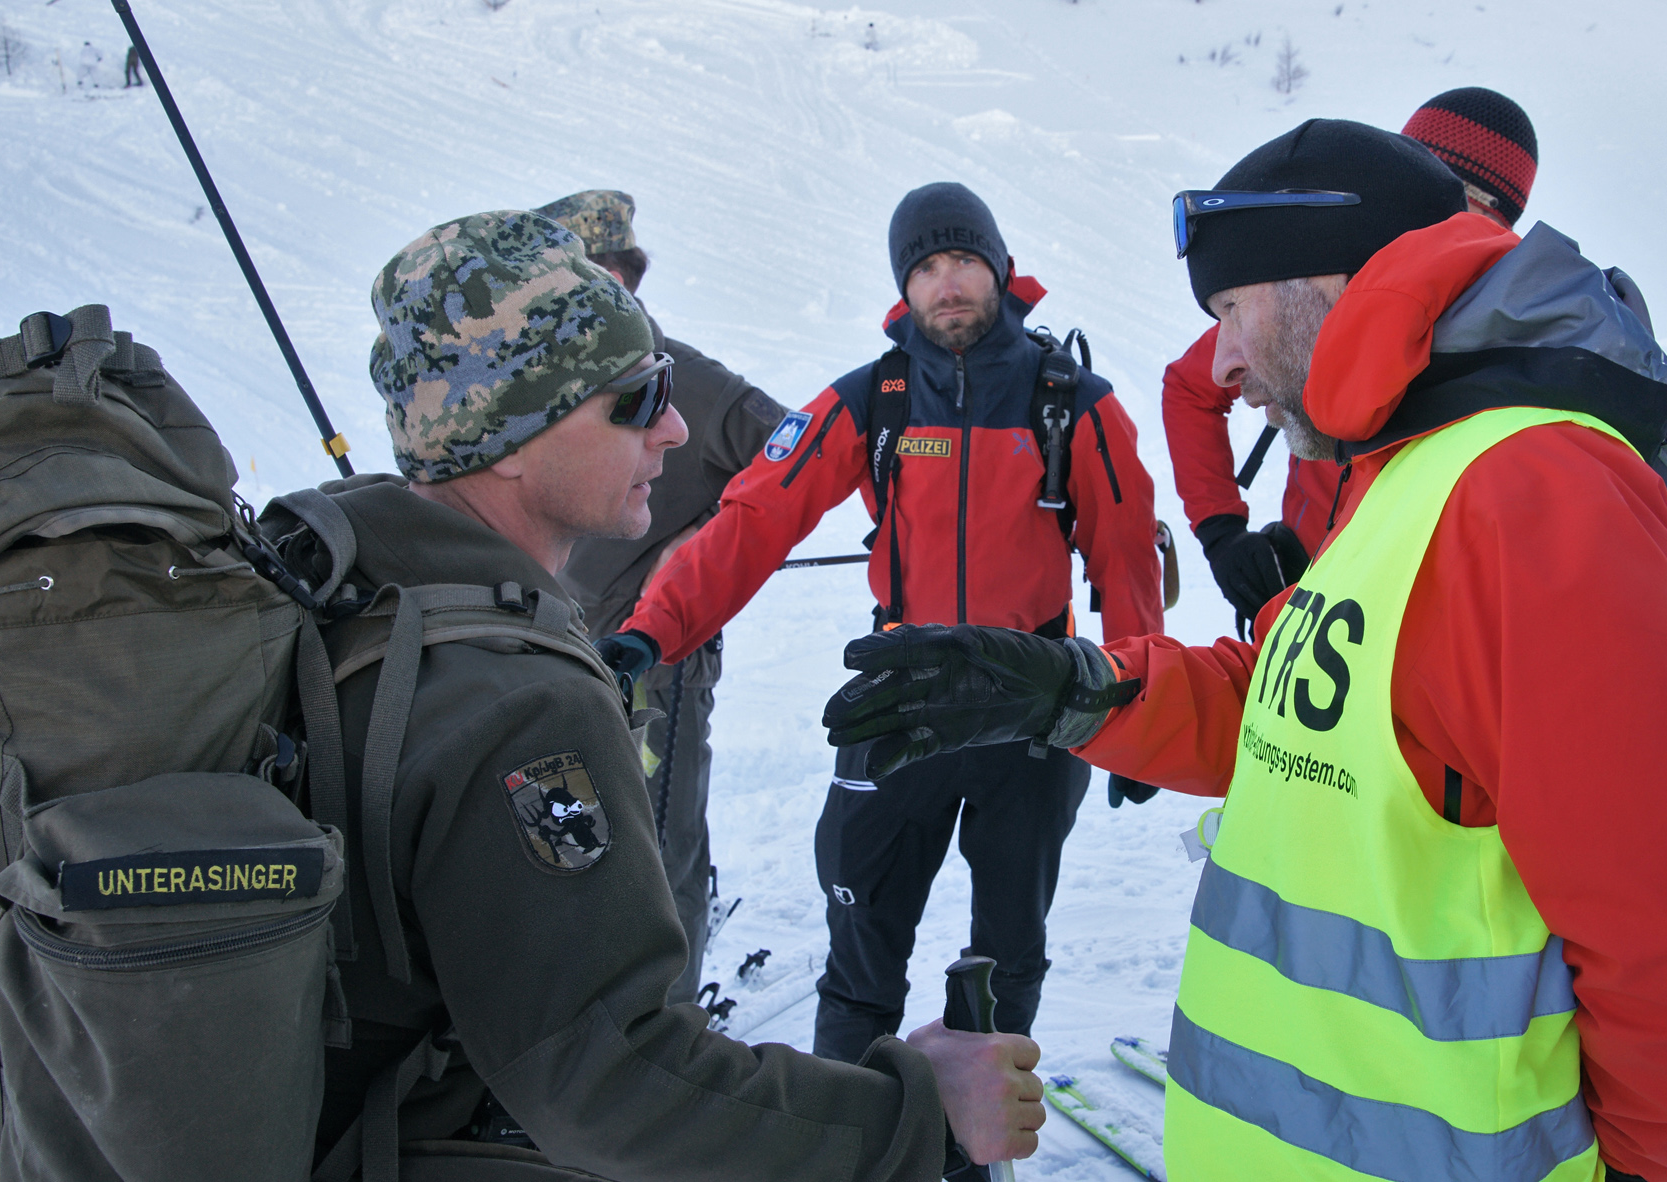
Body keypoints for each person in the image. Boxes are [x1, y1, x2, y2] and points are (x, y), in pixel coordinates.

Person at [820, 120, 1667, 1182]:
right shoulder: (1407, 467)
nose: (1217, 360)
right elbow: (1312, 705)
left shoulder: (1531, 489)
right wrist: (1073, 691)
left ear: (1327, 284)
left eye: (1227, 312)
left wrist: (1651, 1167)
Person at [310, 209, 1043, 1180]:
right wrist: (917, 1116)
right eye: (636, 397)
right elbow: (612, 1079)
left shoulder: (353, 586)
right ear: (513, 431)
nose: (676, 425)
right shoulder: (519, 701)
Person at [600, 182, 1166, 1064]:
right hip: (900, 702)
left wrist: (1139, 710)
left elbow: (1126, 561)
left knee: (1008, 952)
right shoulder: (874, 400)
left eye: (965, 262)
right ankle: (852, 1130)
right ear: (904, 286)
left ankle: (980, 1138)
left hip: (1034, 705)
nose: (948, 284)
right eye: (927, 266)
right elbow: (753, 521)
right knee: (862, 952)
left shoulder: (1074, 405)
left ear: (1000, 269)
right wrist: (652, 629)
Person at [539, 188, 789, 1006]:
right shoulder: (546, 380)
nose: (605, 289)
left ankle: (669, 1031)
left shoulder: (678, 373)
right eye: (579, 274)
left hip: (663, 654)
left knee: (660, 836)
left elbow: (799, 445)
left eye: (615, 272)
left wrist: (705, 540)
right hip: (563, 644)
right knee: (578, 830)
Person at [1167, 87, 1539, 631]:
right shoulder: (1316, 308)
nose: (1426, 237)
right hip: (1304, 581)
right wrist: (1221, 531)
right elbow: (1191, 388)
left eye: (1464, 209)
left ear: (1499, 224)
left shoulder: (1515, 354)